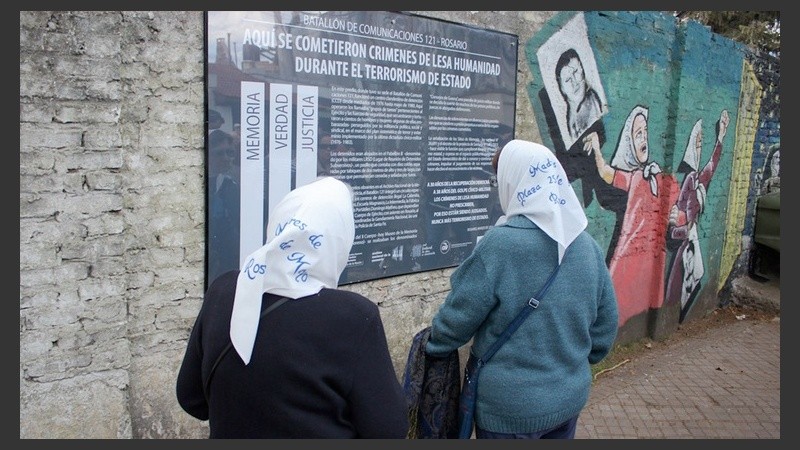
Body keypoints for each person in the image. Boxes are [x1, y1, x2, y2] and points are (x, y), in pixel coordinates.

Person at [177, 176, 409, 438]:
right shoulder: (353, 316)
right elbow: (389, 428)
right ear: (340, 239)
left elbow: (192, 399)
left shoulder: (224, 291)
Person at [425, 139, 619, 439]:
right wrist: (566, 366)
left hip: (509, 411)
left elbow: (458, 319)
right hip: (568, 400)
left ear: (513, 182)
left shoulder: (500, 245)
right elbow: (604, 331)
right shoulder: (587, 246)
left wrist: (433, 348)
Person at [586, 105, 679, 327]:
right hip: (629, 252)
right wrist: (597, 149)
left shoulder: (665, 179)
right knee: (615, 299)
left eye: (645, 131)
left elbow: (680, 207)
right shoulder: (636, 178)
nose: (643, 137)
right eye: (638, 134)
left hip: (651, 253)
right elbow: (607, 173)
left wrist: (677, 216)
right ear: (629, 143)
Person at [664, 110, 728, 321]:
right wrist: (683, 224)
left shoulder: (698, 180)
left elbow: (711, 166)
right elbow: (674, 230)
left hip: (692, 244)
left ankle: (675, 316)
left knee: (691, 281)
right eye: (698, 143)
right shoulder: (690, 181)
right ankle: (671, 317)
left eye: (702, 144)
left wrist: (720, 137)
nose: (700, 148)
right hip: (685, 248)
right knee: (680, 285)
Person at [556, 49, 604, 142]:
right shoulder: (571, 118)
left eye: (576, 72)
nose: (575, 82)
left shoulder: (592, 103)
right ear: (561, 87)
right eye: (567, 80)